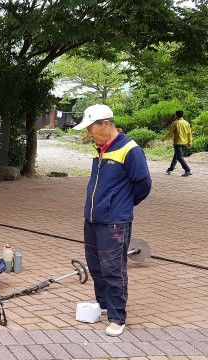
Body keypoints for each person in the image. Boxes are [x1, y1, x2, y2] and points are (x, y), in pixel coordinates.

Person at [73, 104, 152, 337]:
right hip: (93, 219)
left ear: (105, 124)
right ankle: (104, 305)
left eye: (91, 130)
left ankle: (118, 317)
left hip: (114, 222)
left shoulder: (130, 150)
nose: (89, 135)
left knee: (113, 269)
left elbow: (144, 184)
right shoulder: (101, 148)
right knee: (96, 266)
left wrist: (122, 205)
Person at [162, 110, 193, 176]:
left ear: (176, 115)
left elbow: (170, 132)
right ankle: (170, 169)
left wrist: (164, 138)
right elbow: (189, 134)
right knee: (176, 156)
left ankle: (187, 170)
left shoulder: (175, 123)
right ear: (182, 115)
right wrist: (190, 143)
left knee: (179, 157)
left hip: (178, 143)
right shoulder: (187, 123)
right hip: (185, 143)